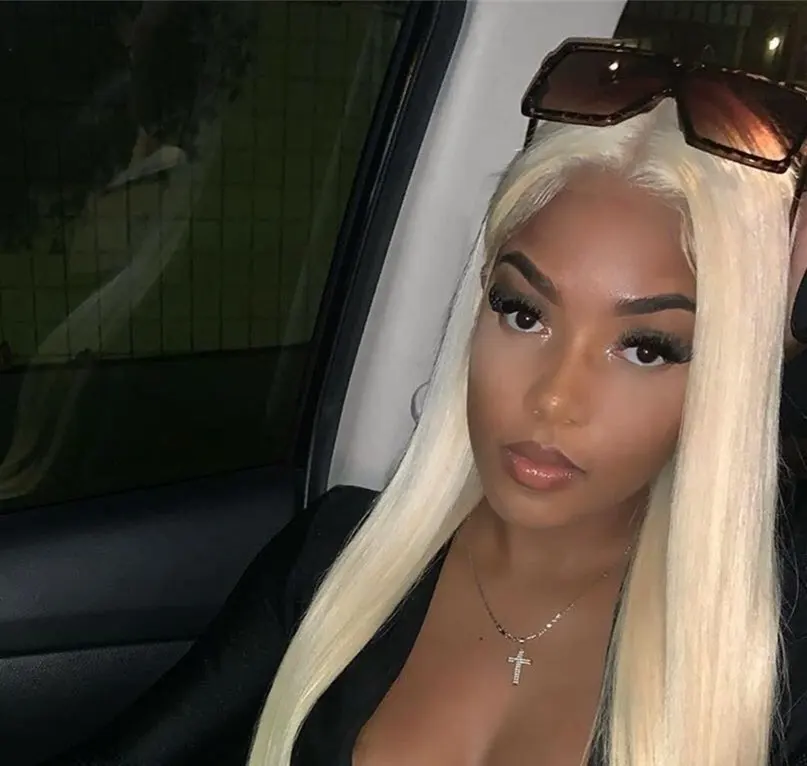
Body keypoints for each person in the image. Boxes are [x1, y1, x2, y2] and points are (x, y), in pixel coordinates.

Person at [48, 38, 807, 766]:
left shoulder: (761, 661)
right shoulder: (335, 562)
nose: (554, 398)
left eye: (645, 348)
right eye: (523, 313)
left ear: (728, 379)